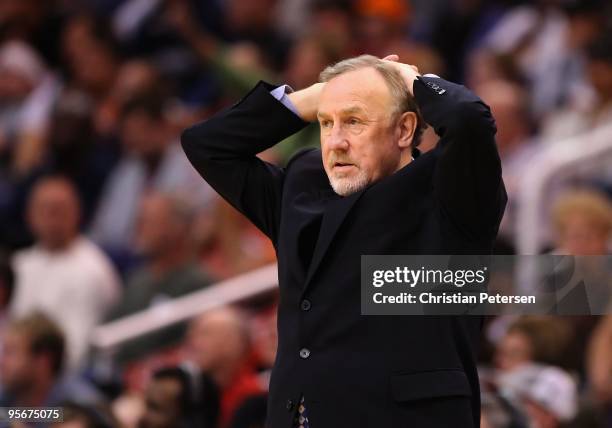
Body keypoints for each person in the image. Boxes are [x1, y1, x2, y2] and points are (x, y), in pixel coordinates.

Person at [181, 54, 506, 427]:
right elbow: (206, 145)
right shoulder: (302, 186)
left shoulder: (449, 192)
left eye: (353, 121)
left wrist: (406, 78)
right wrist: (312, 98)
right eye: (325, 123)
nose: (335, 142)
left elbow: (468, 120)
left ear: (403, 131)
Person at [10, 176, 121, 370]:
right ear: (29, 215)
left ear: (77, 213)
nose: (50, 217)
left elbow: (75, 351)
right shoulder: (20, 264)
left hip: (64, 378)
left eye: (58, 210)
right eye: (43, 209)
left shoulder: (92, 270)